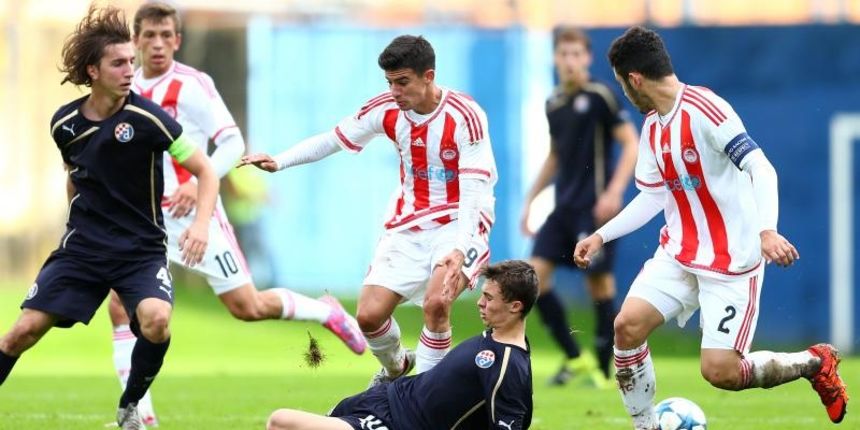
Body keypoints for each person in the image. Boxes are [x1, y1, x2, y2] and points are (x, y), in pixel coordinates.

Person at [573, 26, 848, 429]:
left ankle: (813, 362)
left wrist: (767, 230)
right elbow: (653, 197)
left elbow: (760, 166)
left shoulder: (706, 110)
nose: (624, 92)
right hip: (680, 252)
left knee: (721, 372)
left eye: (620, 82)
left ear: (634, 79)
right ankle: (645, 426)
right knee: (626, 327)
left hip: (732, 261)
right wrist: (601, 235)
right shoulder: (653, 127)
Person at [105, 3, 367, 425]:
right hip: (142, 219)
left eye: (165, 35)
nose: (157, 44)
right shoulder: (123, 84)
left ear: (178, 40)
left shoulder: (193, 85)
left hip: (194, 213)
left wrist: (197, 180)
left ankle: (328, 313)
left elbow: (231, 143)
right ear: (135, 41)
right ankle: (138, 414)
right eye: (149, 35)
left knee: (247, 306)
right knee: (120, 305)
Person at [0, 4, 220, 429]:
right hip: (82, 250)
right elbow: (75, 175)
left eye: (130, 63)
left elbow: (204, 170)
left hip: (139, 251)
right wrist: (74, 227)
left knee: (156, 321)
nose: (129, 71)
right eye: (118, 63)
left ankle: (130, 406)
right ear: (93, 70)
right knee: (20, 332)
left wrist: (200, 224)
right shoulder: (64, 124)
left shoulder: (151, 120)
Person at [240, 35, 497, 384]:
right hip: (410, 221)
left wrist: (459, 246)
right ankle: (397, 369)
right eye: (390, 82)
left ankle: (425, 401)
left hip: (460, 220)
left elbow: (473, 187)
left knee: (437, 303)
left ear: (428, 76)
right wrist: (280, 161)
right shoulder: (387, 109)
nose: (395, 91)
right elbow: (334, 138)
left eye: (402, 82)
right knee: (368, 316)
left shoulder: (465, 115)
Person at [266, 260, 536, 430]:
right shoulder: (493, 338)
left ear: (515, 306)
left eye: (489, 298)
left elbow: (511, 417)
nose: (480, 302)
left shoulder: (508, 365)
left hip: (397, 423)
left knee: (280, 422)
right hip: (383, 398)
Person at [519, 26, 638, 387]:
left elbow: (631, 143)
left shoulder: (600, 95)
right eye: (563, 54)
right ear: (555, 58)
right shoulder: (553, 102)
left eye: (576, 54)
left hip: (596, 209)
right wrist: (530, 200)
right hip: (564, 209)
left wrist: (615, 191)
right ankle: (576, 358)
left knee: (599, 288)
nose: (569, 61)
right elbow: (556, 155)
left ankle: (605, 369)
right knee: (532, 279)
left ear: (586, 58)